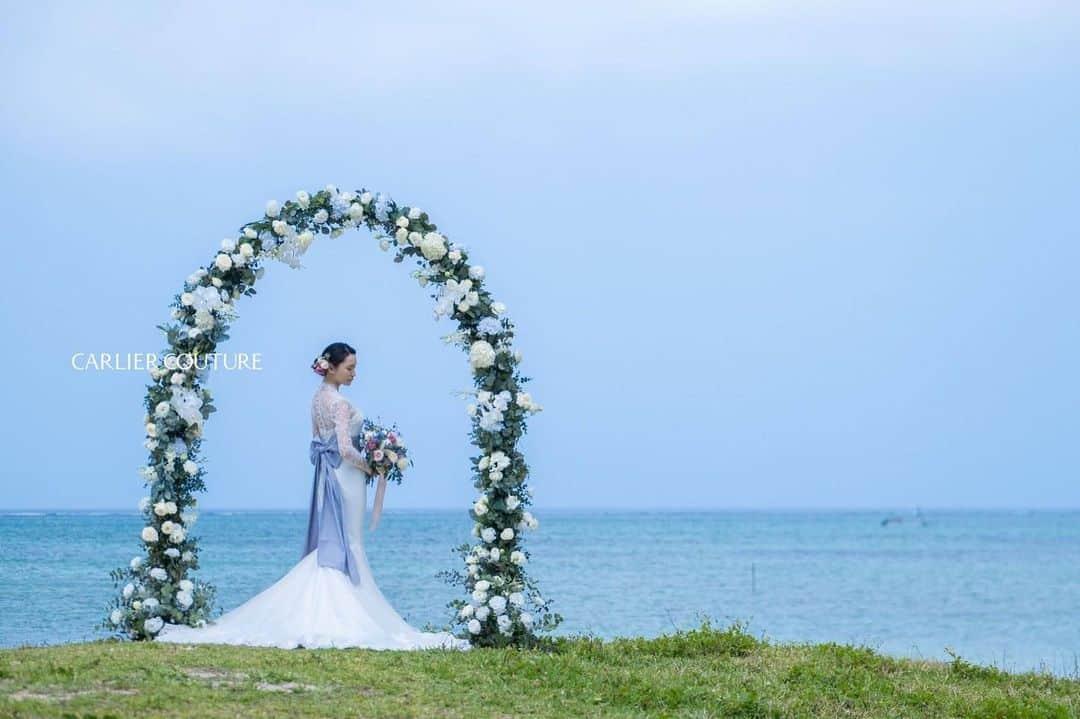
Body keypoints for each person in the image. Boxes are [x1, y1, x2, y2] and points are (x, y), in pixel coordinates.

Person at [156, 342, 470, 650]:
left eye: (355, 368)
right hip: (346, 477)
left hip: (326, 475)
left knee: (335, 539)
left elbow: (317, 440)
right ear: (331, 367)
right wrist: (372, 467)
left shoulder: (316, 399)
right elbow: (346, 449)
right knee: (351, 540)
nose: (354, 374)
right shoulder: (340, 404)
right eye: (349, 368)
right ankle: (352, 611)